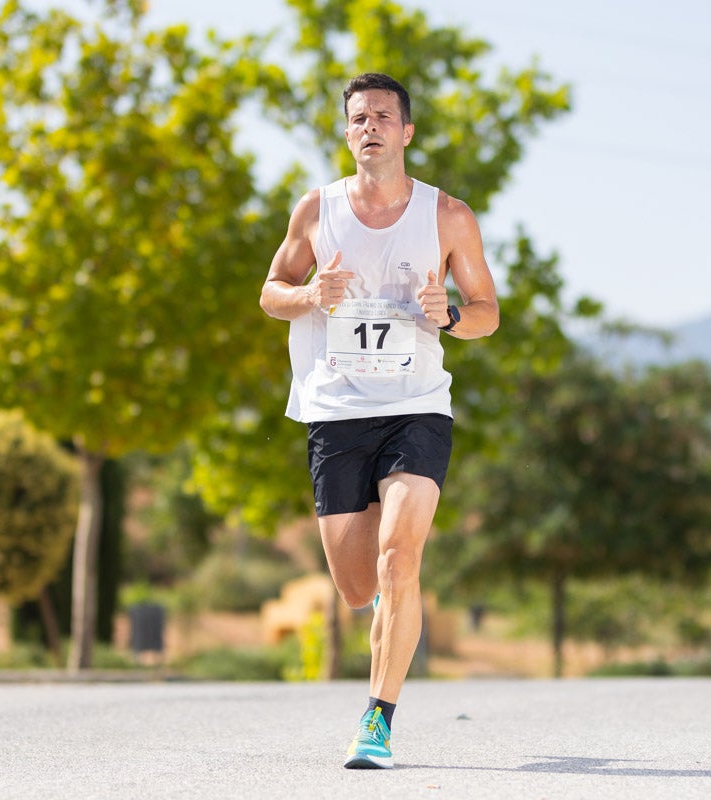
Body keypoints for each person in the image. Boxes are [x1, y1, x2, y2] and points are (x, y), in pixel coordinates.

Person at [259, 72, 499, 768]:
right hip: (336, 412)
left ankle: (378, 719)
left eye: (384, 117)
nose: (371, 126)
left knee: (400, 559)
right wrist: (310, 294)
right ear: (347, 133)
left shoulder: (448, 215)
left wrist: (448, 314)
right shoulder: (316, 210)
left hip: (417, 407)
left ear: (407, 132)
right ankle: (388, 624)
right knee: (358, 585)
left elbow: (486, 313)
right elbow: (270, 293)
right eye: (358, 117)